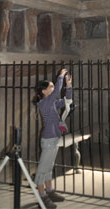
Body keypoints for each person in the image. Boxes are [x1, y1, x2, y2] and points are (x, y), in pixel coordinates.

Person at [33, 68, 72, 208]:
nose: (54, 88)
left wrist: (69, 86)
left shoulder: (53, 103)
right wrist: (60, 76)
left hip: (55, 139)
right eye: (51, 86)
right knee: (42, 169)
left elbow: (67, 101)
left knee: (49, 168)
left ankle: (49, 192)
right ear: (44, 91)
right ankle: (42, 196)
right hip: (48, 140)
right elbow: (56, 92)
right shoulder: (44, 103)